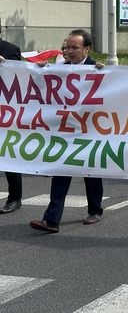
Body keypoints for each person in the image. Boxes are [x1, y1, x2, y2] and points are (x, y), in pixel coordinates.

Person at [29, 29, 104, 233]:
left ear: (87, 48)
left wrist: (104, 73)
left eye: (74, 47)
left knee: (91, 172)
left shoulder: (98, 69)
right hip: (66, 131)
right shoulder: (59, 68)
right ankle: (51, 220)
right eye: (68, 47)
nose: (69, 51)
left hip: (89, 130)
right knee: (61, 171)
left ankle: (96, 209)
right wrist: (42, 70)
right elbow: (41, 88)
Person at [0, 23, 22, 214]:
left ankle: (14, 198)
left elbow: (20, 78)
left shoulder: (10, 50)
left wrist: (3, 63)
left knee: (8, 156)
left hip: (5, 112)